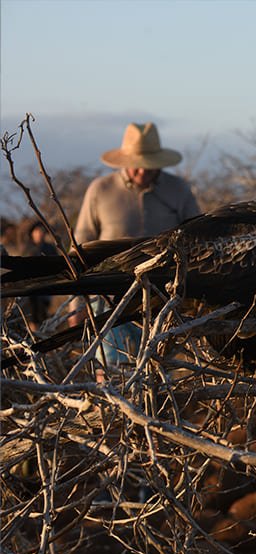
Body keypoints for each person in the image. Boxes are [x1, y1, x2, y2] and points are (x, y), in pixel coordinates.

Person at [72, 122, 200, 376]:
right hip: (108, 295)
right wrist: (76, 304)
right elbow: (80, 247)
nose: (142, 171)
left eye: (148, 164)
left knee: (159, 373)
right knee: (111, 371)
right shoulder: (101, 190)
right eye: (136, 163)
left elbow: (197, 242)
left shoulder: (178, 190)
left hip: (162, 298)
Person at [21, 220, 59, 331]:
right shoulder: (27, 249)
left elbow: (56, 264)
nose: (40, 234)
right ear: (32, 233)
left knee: (43, 312)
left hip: (46, 285)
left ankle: (43, 334)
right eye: (37, 231)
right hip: (30, 286)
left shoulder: (50, 248)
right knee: (32, 313)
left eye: (42, 231)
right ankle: (34, 335)